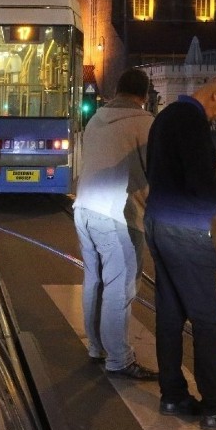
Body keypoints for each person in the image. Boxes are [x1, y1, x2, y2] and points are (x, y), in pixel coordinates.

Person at [144, 74, 216, 430]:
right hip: (185, 230)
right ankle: (215, 408)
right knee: (208, 321)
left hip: (159, 222)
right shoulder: (191, 122)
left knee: (171, 313)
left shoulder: (166, 116)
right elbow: (199, 182)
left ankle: (173, 395)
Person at [73, 68, 157, 381]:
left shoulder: (95, 119)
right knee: (119, 289)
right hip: (118, 214)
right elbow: (156, 172)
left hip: (84, 209)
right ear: (144, 95)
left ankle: (97, 347)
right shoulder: (146, 123)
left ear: (118, 90)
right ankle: (119, 359)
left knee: (94, 280)